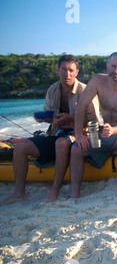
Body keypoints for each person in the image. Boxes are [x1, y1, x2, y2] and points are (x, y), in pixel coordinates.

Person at [0, 55, 98, 206]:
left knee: (61, 143)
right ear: (58, 70)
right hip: (56, 133)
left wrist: (70, 118)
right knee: (20, 147)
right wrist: (43, 119)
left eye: (71, 70)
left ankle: (54, 190)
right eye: (64, 70)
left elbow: (94, 122)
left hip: (79, 136)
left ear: (77, 72)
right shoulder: (52, 90)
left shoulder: (86, 91)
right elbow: (51, 117)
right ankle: (19, 193)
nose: (67, 74)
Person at [69, 51, 117, 197]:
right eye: (113, 66)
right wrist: (79, 135)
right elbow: (81, 107)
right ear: (107, 66)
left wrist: (113, 130)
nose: (116, 71)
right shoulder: (97, 81)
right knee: (76, 149)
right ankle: (74, 193)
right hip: (107, 131)